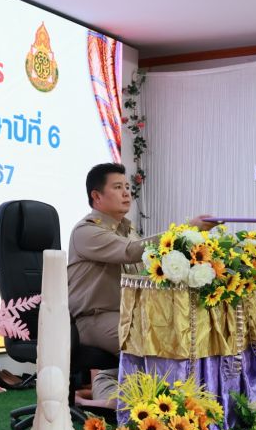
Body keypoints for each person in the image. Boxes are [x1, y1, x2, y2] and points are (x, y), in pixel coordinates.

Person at [67, 162, 213, 407]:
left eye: (127, 187)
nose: (126, 193)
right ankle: (150, 407)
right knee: (150, 340)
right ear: (96, 196)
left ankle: (108, 395)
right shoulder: (86, 231)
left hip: (128, 314)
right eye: (117, 187)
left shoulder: (128, 230)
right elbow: (130, 251)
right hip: (94, 319)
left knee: (179, 333)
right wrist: (186, 230)